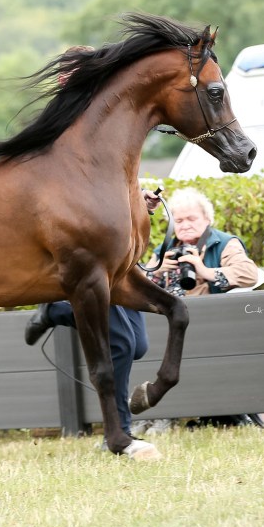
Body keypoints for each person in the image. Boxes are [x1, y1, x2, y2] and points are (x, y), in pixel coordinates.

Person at [22, 190, 162, 446]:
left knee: (138, 346)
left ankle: (56, 311)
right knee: (122, 345)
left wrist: (140, 205)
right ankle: (119, 432)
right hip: (97, 264)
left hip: (122, 266)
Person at [143, 187, 264, 430]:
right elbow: (139, 286)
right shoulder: (166, 249)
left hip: (214, 327)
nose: (185, 225)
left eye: (192, 219)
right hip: (168, 327)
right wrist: (156, 270)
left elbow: (249, 273)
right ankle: (162, 413)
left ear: (207, 219)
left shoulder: (223, 243)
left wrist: (204, 271)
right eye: (179, 220)